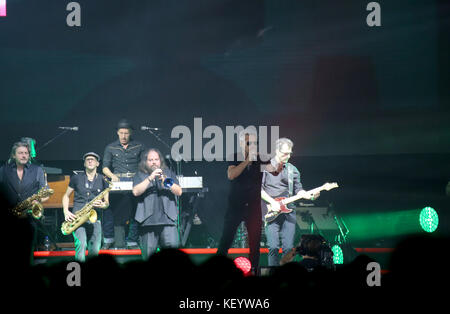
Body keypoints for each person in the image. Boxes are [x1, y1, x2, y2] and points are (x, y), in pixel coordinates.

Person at [217, 128, 273, 274]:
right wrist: (247, 159)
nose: (253, 145)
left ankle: (253, 271)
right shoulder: (235, 156)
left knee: (254, 244)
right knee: (226, 240)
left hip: (254, 207)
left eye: (255, 143)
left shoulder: (261, 159)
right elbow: (231, 175)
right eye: (249, 143)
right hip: (236, 206)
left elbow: (275, 170)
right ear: (242, 144)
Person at [261, 138, 319, 267]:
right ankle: (273, 274)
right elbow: (258, 189)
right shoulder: (265, 167)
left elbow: (299, 190)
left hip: (289, 211)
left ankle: (286, 275)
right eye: (284, 153)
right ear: (276, 151)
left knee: (288, 248)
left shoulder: (293, 170)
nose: (287, 156)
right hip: (271, 211)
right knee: (273, 247)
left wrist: (310, 196)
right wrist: (272, 202)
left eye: (289, 153)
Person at [0, 141, 50, 261]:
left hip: (29, 217)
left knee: (28, 251)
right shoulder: (4, 170)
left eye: (26, 153)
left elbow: (46, 193)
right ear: (13, 155)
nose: (24, 155)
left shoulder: (37, 170)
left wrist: (38, 201)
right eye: (20, 153)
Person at [102, 119, 146, 249]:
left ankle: (132, 241)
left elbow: (145, 165)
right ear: (117, 133)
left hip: (135, 180)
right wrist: (112, 176)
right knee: (108, 208)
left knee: (136, 210)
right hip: (117, 181)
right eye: (121, 133)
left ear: (130, 133)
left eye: (126, 133)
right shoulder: (110, 147)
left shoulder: (139, 146)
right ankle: (108, 239)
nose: (123, 136)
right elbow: (105, 167)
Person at [132, 148, 182, 260]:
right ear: (145, 162)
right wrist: (150, 178)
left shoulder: (168, 172)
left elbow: (179, 191)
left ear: (160, 161)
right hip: (147, 222)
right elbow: (135, 191)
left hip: (167, 221)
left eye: (156, 159)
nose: (154, 162)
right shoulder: (140, 175)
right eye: (150, 160)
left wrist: (164, 179)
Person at [62, 152, 109, 262]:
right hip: (77, 217)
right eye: (87, 159)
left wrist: (104, 205)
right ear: (84, 163)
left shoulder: (103, 179)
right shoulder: (76, 178)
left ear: (97, 163)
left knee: (94, 249)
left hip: (95, 218)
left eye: (92, 159)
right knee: (81, 245)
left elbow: (107, 202)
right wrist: (65, 211)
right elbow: (66, 196)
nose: (90, 161)